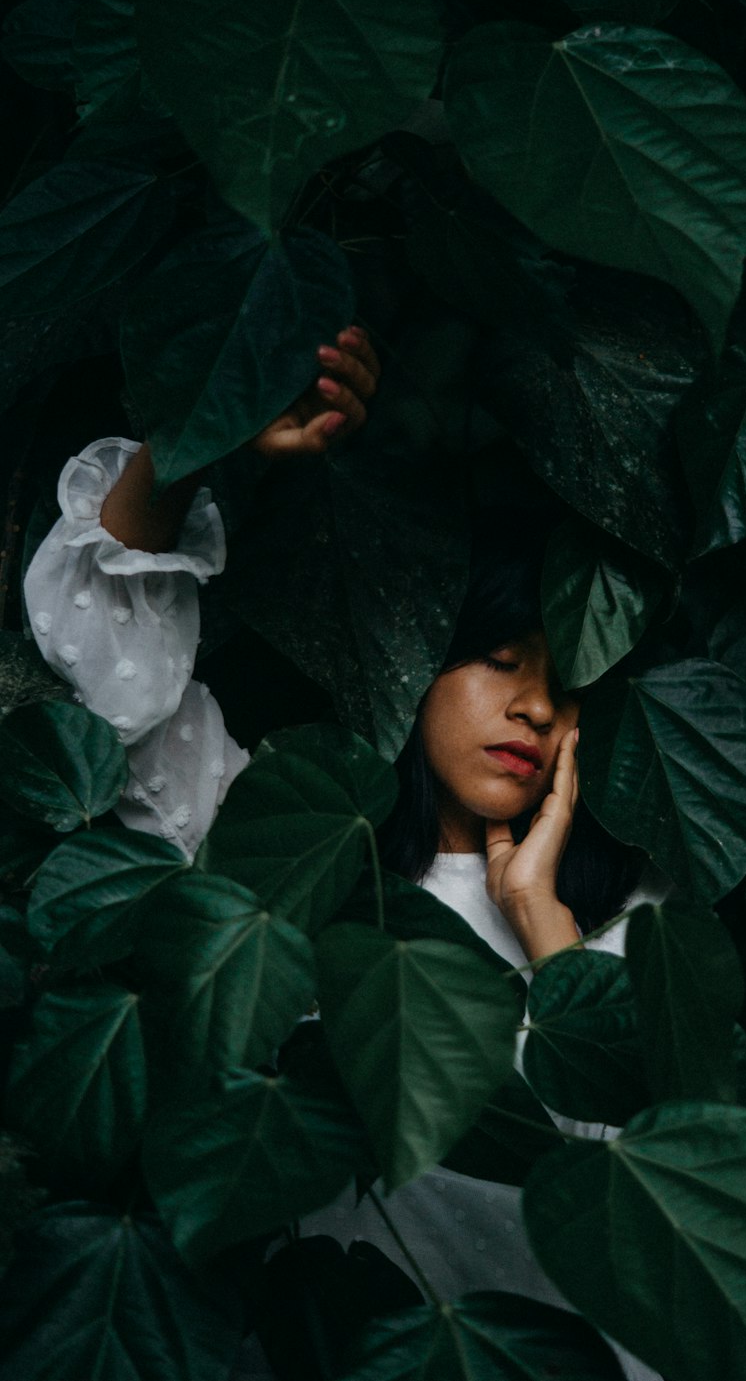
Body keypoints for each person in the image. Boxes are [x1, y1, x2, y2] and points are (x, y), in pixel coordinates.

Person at [23, 330, 661, 1381]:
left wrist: (543, 916)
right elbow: (119, 682)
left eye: (564, 686)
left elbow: (653, 1172)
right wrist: (206, 436)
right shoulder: (283, 842)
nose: (537, 706)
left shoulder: (619, 909)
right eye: (499, 660)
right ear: (416, 658)